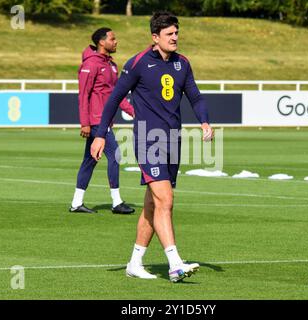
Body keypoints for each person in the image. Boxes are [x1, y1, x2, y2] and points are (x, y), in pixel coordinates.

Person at [90, 12, 214, 282]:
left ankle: (134, 263)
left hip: (174, 141)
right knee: (165, 200)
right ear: (155, 37)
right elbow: (113, 99)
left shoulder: (183, 63)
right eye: (169, 34)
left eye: (177, 33)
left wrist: (204, 121)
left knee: (152, 205)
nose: (175, 38)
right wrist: (100, 134)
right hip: (148, 139)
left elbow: (195, 95)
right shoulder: (137, 63)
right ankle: (174, 263)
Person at [69, 27, 135, 215]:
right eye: (113, 39)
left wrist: (133, 111)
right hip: (97, 120)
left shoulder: (112, 65)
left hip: (104, 120)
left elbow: (117, 94)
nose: (116, 42)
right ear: (102, 42)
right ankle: (116, 202)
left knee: (89, 161)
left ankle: (76, 203)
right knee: (115, 155)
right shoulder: (91, 64)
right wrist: (85, 123)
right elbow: (84, 95)